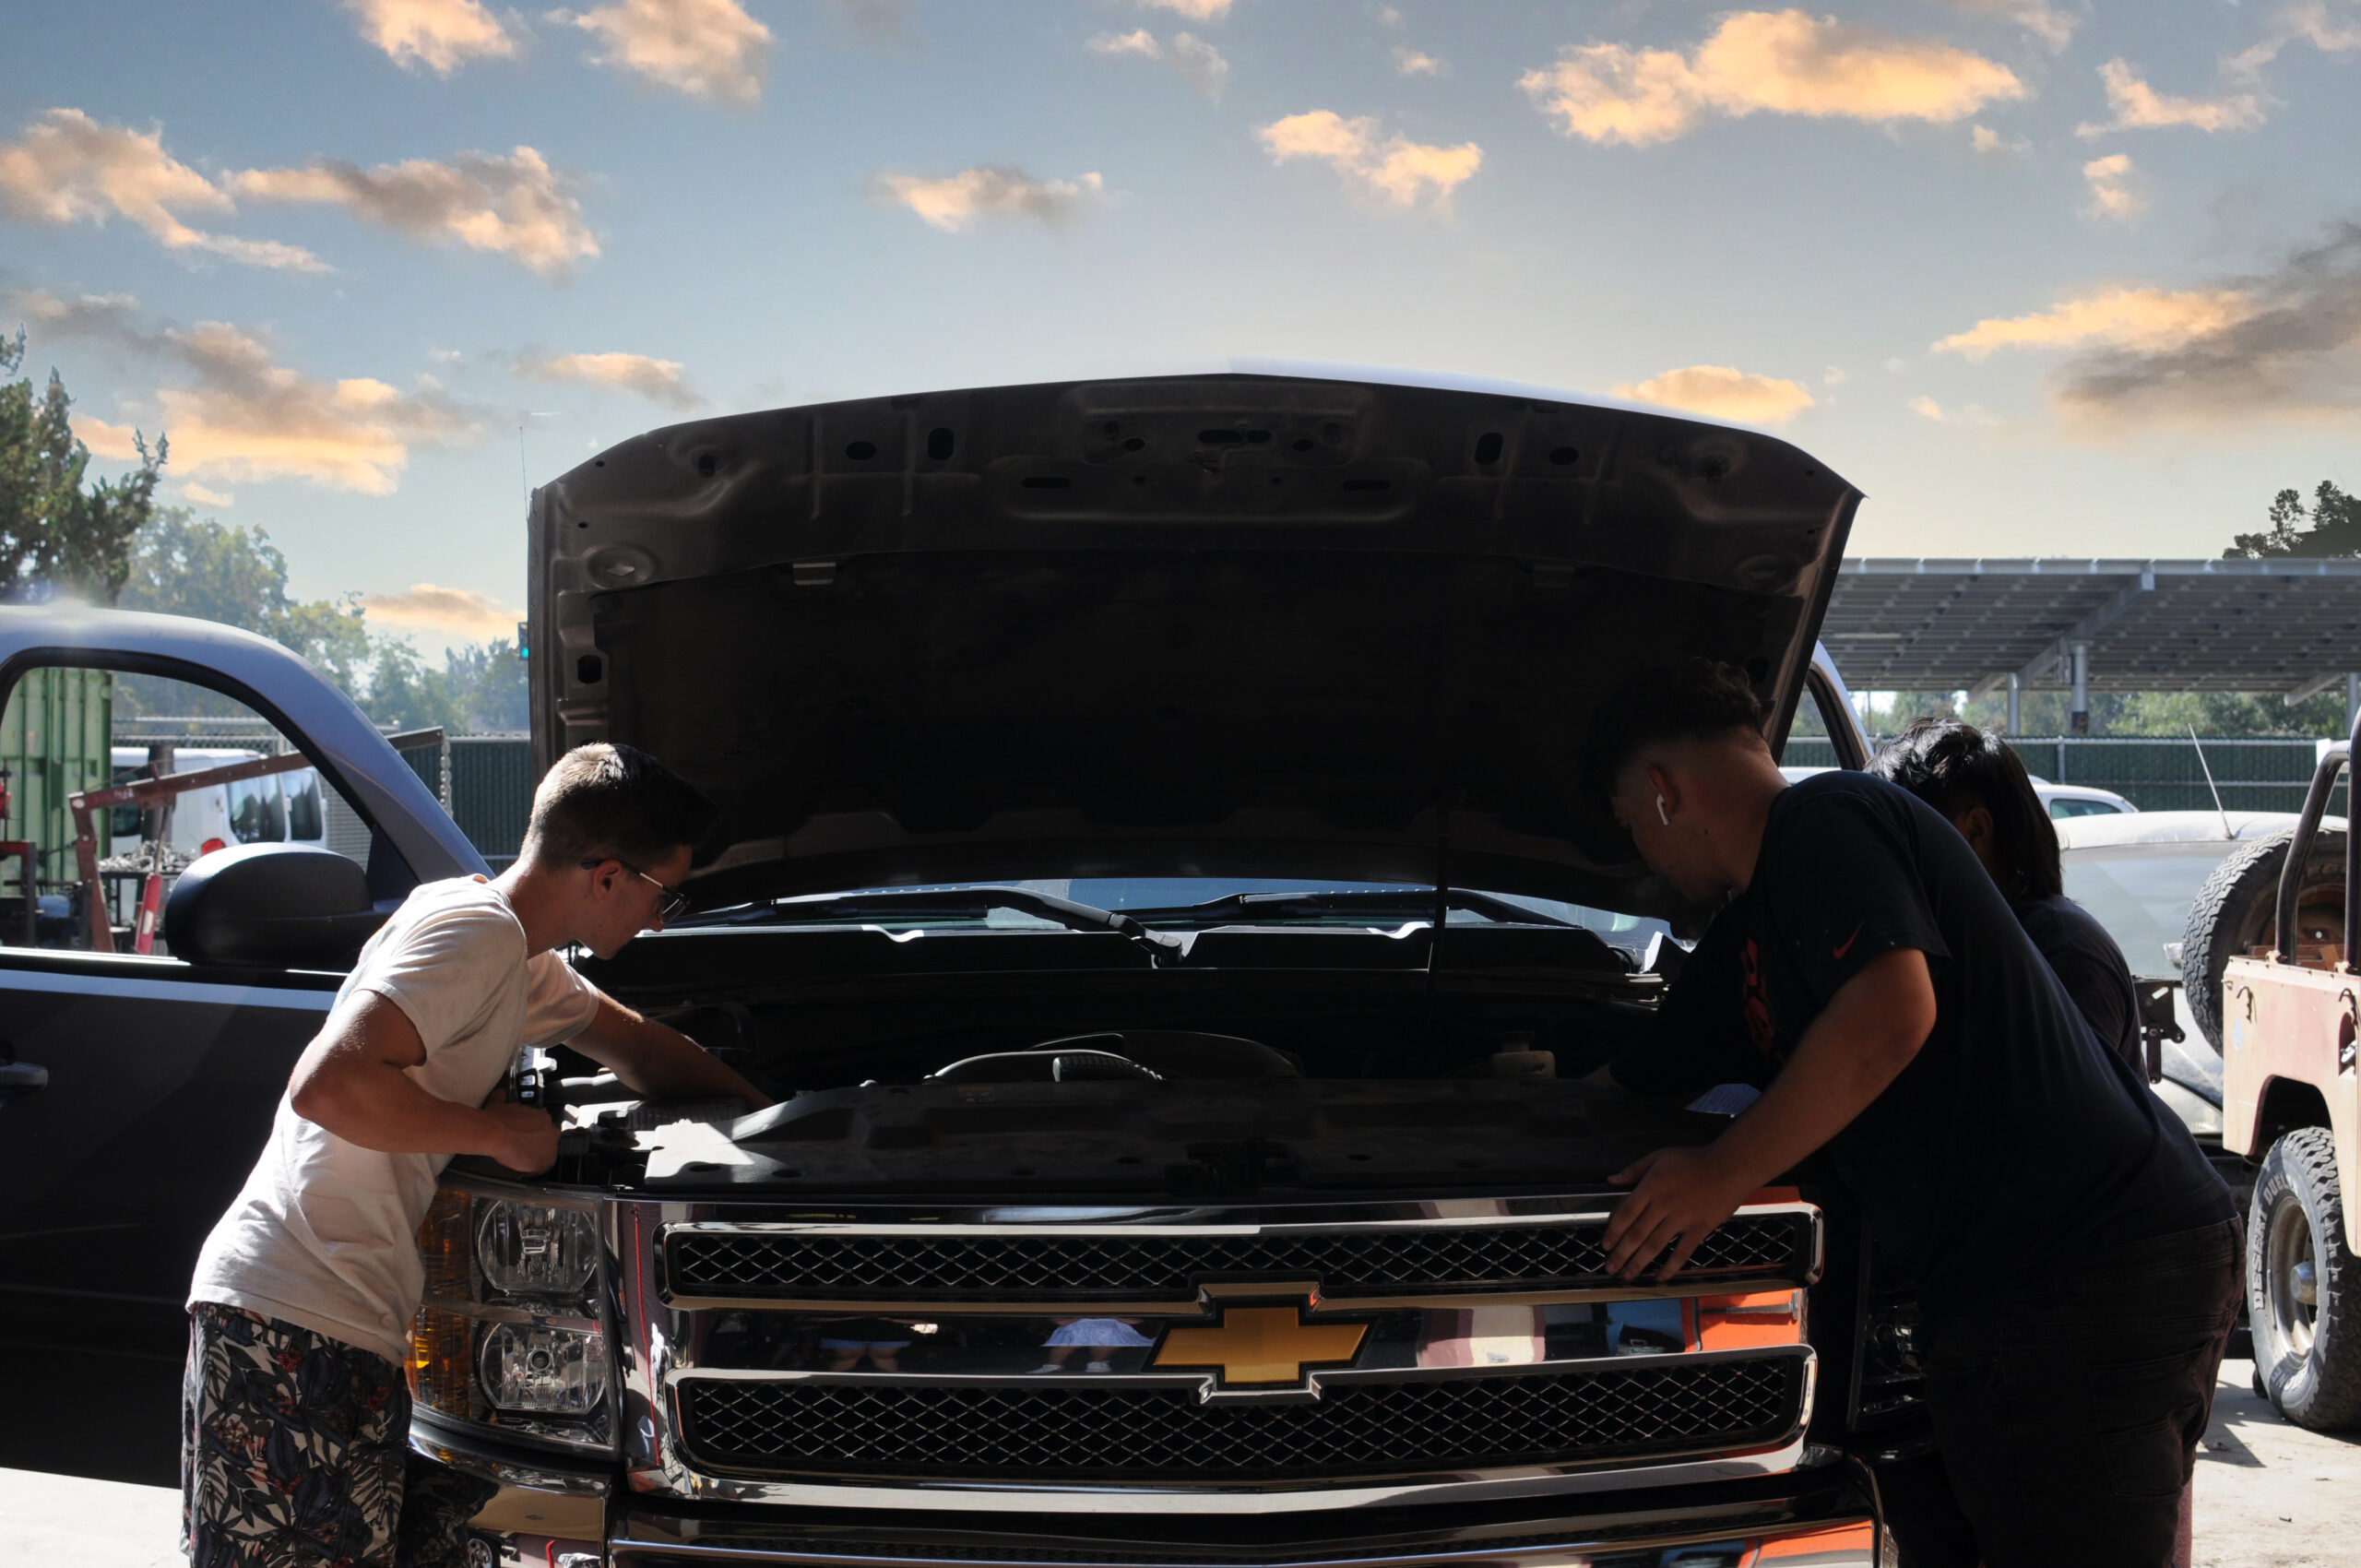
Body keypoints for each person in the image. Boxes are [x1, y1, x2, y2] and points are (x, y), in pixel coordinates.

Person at [1585, 660, 2236, 1568]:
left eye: (1627, 823)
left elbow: (1891, 1013)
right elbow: (1627, 1082)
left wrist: (1719, 1175)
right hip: (2014, 1278)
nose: (1640, 854)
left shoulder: (1826, 820)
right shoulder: (1756, 926)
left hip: (2089, 1264)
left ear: (1661, 792)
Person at [183, 742, 771, 1568]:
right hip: (287, 1313)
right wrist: (497, 1134)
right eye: (660, 893)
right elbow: (329, 1086)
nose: (658, 919)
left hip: (351, 1318)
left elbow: (637, 1046)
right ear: (607, 877)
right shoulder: (474, 933)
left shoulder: (512, 954)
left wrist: (776, 1126)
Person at [1868, 717, 2144, 1072]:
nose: (1887, 866)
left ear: (1975, 831)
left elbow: (2056, 1120)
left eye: (1902, 840)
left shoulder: (2062, 953)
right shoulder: (1968, 941)